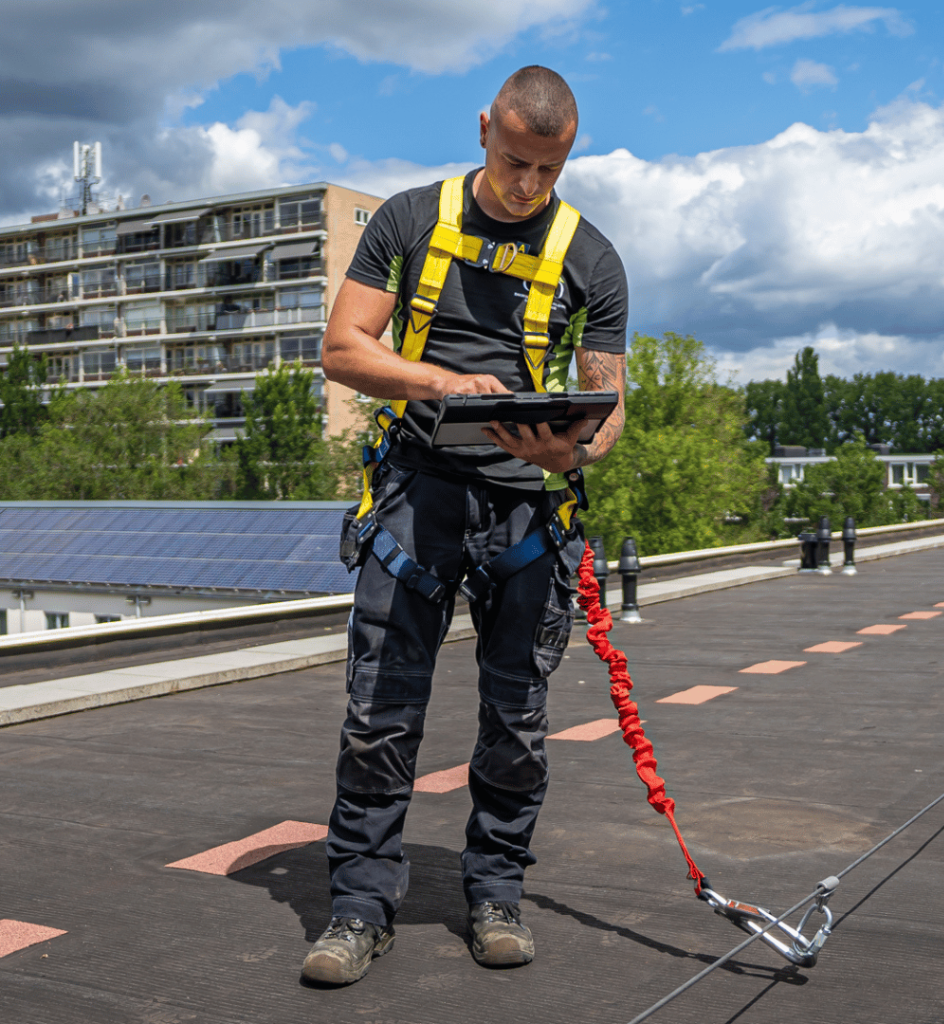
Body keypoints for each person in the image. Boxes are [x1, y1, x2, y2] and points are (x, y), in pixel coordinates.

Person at [302, 65, 628, 986]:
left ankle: (495, 892)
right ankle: (359, 908)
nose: (528, 185)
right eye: (516, 160)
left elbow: (606, 411)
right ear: (485, 127)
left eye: (549, 169)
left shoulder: (592, 257)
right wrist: (443, 383)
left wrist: (570, 452)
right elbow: (342, 348)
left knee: (517, 720)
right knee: (379, 713)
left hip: (528, 512)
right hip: (417, 497)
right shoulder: (410, 220)